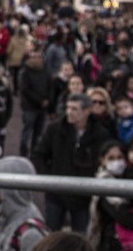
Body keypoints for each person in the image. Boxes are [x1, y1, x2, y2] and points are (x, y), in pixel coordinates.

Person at [32, 93, 109, 234]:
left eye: (74, 109)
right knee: (51, 235)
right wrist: (48, 178)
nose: (69, 112)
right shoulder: (54, 129)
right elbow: (39, 155)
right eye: (68, 108)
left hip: (84, 194)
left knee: (80, 236)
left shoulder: (100, 134)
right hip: (56, 192)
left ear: (86, 111)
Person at [18, 50, 50, 157]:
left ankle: (35, 153)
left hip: (42, 107)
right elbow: (24, 89)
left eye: (39, 57)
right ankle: (23, 152)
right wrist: (40, 101)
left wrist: (48, 99)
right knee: (27, 130)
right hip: (29, 107)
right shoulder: (25, 72)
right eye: (34, 57)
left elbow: (49, 85)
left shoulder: (44, 70)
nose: (37, 59)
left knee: (39, 132)